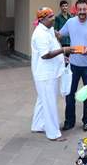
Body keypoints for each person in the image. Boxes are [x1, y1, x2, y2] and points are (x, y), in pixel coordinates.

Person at [59, 0, 87, 131]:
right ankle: (69, 121)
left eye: (85, 10)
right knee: (69, 93)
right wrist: (45, 28)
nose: (82, 12)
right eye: (80, 10)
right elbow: (59, 35)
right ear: (76, 10)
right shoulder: (70, 22)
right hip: (73, 65)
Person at [30, 7, 72, 142]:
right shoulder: (40, 34)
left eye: (53, 15)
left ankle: (37, 125)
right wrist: (63, 50)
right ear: (42, 19)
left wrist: (62, 58)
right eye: (50, 17)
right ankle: (54, 133)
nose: (53, 18)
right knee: (49, 103)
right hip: (45, 75)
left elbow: (52, 47)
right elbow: (45, 54)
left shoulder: (47, 30)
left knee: (43, 100)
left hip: (50, 72)